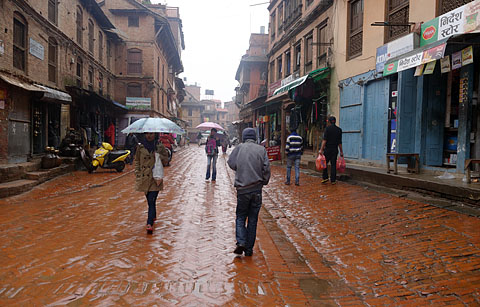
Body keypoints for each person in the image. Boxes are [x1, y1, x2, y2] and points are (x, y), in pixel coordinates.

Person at [227, 128, 271, 257]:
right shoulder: (261, 150)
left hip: (242, 190)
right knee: (252, 219)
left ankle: (241, 241)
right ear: (255, 136)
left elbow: (231, 163)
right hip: (256, 189)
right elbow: (266, 168)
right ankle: (249, 249)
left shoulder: (239, 148)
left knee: (240, 216)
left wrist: (240, 167)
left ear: (244, 137)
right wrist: (264, 181)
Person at [134, 132, 169, 234]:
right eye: (147, 134)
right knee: (150, 201)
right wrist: (137, 172)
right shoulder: (140, 147)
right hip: (144, 178)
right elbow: (137, 161)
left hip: (155, 177)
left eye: (151, 134)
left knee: (151, 200)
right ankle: (153, 215)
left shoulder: (159, 146)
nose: (149, 136)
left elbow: (166, 160)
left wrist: (158, 155)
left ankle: (149, 223)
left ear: (155, 135)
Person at [319, 116, 343, 185]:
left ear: (329, 121)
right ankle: (333, 180)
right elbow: (340, 142)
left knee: (324, 163)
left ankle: (325, 177)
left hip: (328, 149)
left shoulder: (327, 129)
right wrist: (341, 151)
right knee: (333, 165)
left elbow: (324, 140)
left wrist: (321, 150)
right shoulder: (339, 130)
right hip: (335, 149)